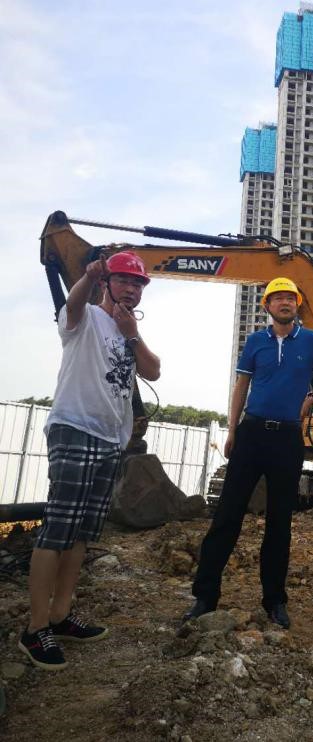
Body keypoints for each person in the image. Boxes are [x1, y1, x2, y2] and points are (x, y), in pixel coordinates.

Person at [20, 252, 160, 670]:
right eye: (124, 281)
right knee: (58, 529)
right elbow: (74, 302)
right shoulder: (83, 319)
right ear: (106, 284)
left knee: (82, 533)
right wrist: (87, 277)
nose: (131, 289)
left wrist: (132, 335)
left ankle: (60, 615)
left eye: (137, 284)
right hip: (75, 428)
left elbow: (153, 371)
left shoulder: (127, 330)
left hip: (111, 439)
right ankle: (35, 628)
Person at [184, 277, 313, 629]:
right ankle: (205, 596)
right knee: (227, 515)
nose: (285, 302)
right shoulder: (256, 341)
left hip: (287, 440)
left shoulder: (312, 340)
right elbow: (241, 385)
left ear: (298, 304)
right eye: (278, 298)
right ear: (267, 305)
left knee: (279, 522)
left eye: (291, 297)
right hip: (252, 433)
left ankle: (274, 601)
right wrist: (232, 429)